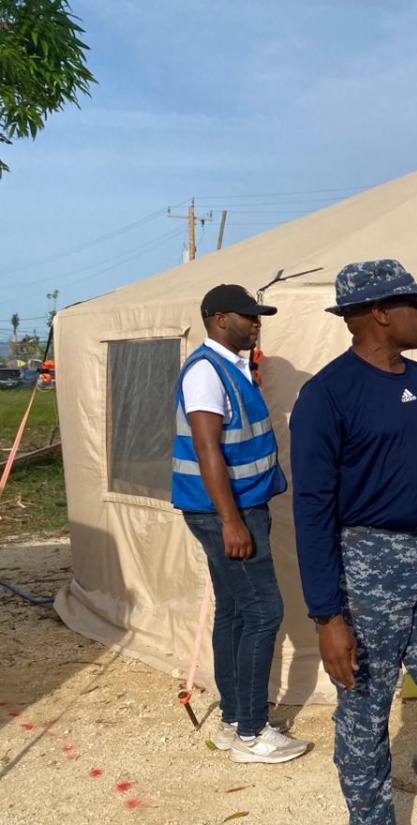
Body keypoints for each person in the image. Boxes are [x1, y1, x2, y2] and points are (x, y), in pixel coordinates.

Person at [290, 260, 417, 825]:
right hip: (368, 564)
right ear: (379, 314)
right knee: (365, 706)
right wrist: (327, 616)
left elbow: (411, 459)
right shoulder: (327, 396)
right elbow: (312, 511)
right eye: (416, 305)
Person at [171, 284, 310, 765]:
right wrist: (231, 522)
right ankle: (253, 733)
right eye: (249, 316)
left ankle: (234, 720)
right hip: (226, 513)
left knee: (233, 610)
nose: (257, 323)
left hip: (240, 508)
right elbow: (208, 448)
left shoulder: (232, 368)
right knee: (264, 612)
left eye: (259, 316)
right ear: (219, 319)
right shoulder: (207, 373)